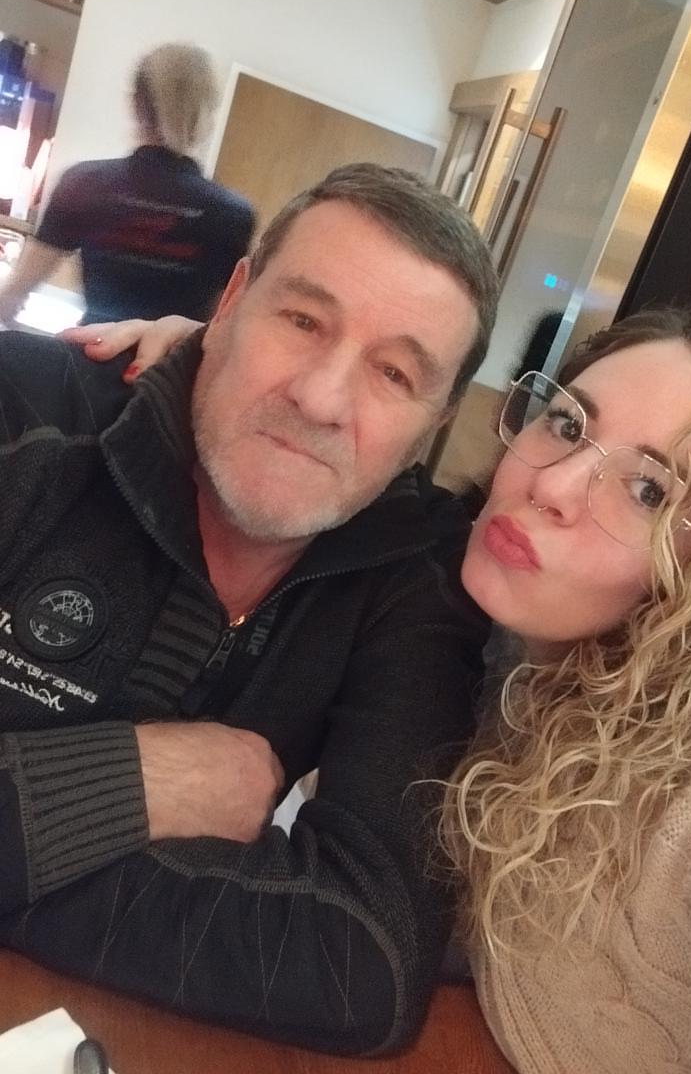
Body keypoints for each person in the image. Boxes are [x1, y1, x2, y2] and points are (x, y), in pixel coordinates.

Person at [71, 306, 691, 1071]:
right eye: (567, 425)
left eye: (649, 490)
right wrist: (223, 378)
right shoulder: (492, 663)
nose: (552, 486)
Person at [0, 163, 497, 1055]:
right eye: (302, 320)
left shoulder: (417, 577)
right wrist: (132, 784)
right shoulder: (22, 416)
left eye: (394, 373)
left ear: (434, 424)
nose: (321, 399)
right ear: (230, 301)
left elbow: (364, 964)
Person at [0, 42, 255, 329]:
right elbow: (222, 330)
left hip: (91, 353)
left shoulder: (84, 184)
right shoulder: (232, 215)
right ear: (206, 112)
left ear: (135, 104)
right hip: (174, 359)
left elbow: (10, 298)